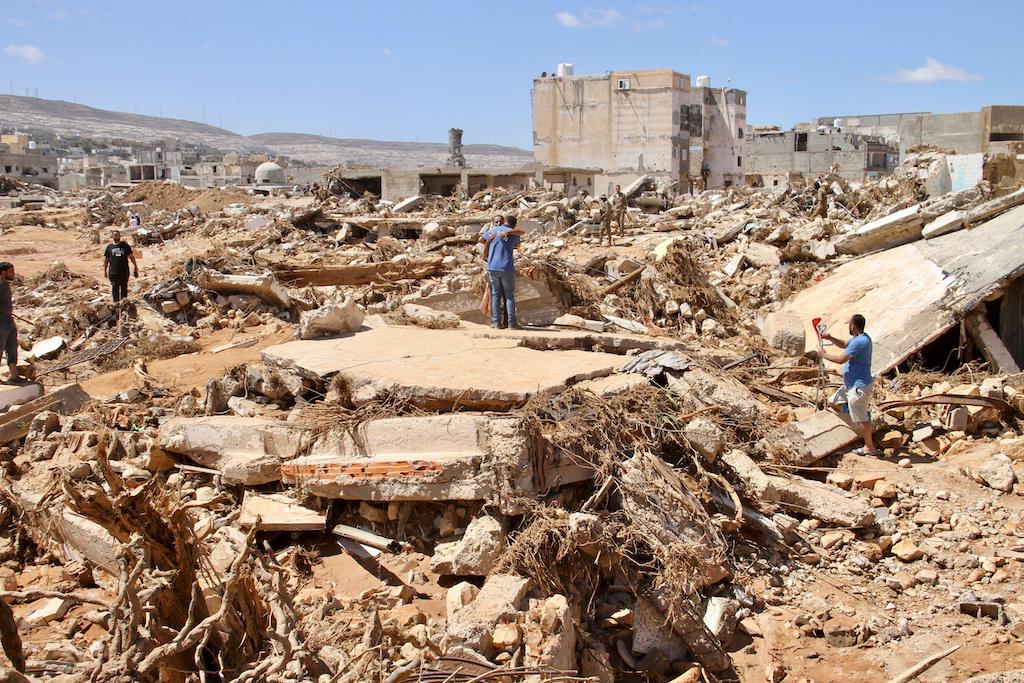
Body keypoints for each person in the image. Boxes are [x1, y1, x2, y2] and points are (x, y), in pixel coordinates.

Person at [820, 314, 877, 455]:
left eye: (849, 325)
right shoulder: (859, 338)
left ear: (853, 326)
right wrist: (830, 338)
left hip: (859, 386)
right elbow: (845, 344)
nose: (848, 327)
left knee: (861, 419)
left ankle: (869, 448)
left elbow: (841, 359)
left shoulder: (861, 341)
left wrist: (823, 355)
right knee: (833, 402)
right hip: (851, 386)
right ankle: (858, 414)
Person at [479, 216, 521, 329]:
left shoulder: (492, 231)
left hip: (492, 267)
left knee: (495, 295)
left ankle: (496, 322)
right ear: (513, 225)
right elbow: (518, 242)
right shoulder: (513, 234)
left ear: (504, 222)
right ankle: (511, 323)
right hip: (506, 267)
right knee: (509, 296)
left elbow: (480, 239)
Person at [0, 263, 26, 384]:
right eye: (11, 272)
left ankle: (14, 375)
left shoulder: (5, 285)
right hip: (1, 322)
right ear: (3, 273)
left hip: (8, 320)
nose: (13, 274)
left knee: (12, 347)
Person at [104, 230, 139, 304]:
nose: (116, 237)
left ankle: (124, 304)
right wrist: (104, 270)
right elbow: (106, 259)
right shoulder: (109, 247)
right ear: (112, 237)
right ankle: (116, 304)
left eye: (118, 235)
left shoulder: (125, 246)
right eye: (115, 235)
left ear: (120, 236)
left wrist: (135, 266)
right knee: (115, 288)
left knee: (124, 288)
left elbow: (131, 256)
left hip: (124, 271)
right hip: (113, 272)